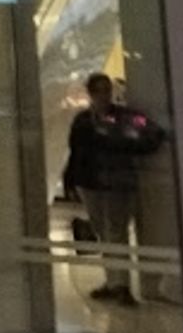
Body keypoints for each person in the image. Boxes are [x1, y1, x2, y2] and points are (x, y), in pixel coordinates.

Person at [65, 70, 166, 305]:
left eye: (106, 90)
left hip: (118, 183)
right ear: (90, 93)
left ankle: (121, 284)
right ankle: (113, 282)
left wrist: (129, 147)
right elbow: (75, 151)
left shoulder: (126, 117)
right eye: (97, 91)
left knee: (117, 232)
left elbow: (154, 133)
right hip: (91, 183)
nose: (103, 96)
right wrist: (72, 180)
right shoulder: (83, 120)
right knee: (103, 232)